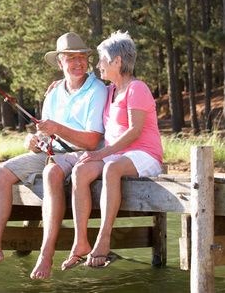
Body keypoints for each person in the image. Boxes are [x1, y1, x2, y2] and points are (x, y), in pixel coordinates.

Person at [0, 32, 108, 279]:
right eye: (71, 58)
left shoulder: (98, 90)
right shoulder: (53, 93)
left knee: (51, 171)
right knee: (2, 172)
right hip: (52, 152)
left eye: (81, 57)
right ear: (60, 63)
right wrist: (33, 142)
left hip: (82, 155)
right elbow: (46, 135)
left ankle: (46, 253)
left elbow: (93, 140)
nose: (78, 63)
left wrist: (57, 130)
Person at [61, 30, 163, 270]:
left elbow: (135, 132)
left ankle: (103, 239)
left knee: (111, 170)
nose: (97, 66)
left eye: (101, 60)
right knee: (80, 171)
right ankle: (80, 241)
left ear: (117, 61)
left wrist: (101, 154)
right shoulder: (108, 91)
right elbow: (82, 86)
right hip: (117, 155)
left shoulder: (137, 88)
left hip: (144, 154)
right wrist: (60, 84)